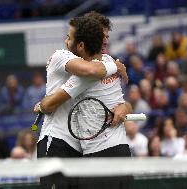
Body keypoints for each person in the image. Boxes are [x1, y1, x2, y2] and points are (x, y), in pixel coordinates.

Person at [35, 16, 132, 189]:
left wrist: (124, 107)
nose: (104, 41)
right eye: (101, 35)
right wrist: (117, 67)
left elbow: (121, 103)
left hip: (85, 149)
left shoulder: (106, 62)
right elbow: (91, 70)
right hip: (58, 142)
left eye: (106, 36)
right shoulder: (63, 57)